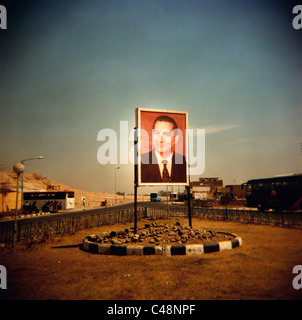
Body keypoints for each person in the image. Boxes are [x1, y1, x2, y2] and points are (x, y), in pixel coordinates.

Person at [140, 115, 186, 183]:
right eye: (156, 133)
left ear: (176, 138)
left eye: (166, 134)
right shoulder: (141, 161)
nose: (160, 139)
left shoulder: (184, 162)